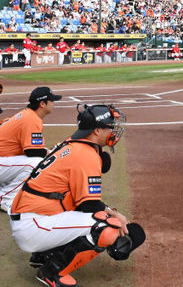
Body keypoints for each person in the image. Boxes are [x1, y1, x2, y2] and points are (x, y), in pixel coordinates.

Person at [9, 104, 145, 287]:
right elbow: (89, 206)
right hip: (33, 225)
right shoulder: (85, 154)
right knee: (107, 226)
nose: (113, 131)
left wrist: (109, 210)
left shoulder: (70, 144)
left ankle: (45, 255)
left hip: (32, 217)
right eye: (110, 127)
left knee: (93, 212)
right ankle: (53, 271)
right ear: (97, 131)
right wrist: (115, 214)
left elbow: (83, 203)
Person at [0, 87, 62, 212]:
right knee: (37, 163)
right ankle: (4, 199)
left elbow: (30, 149)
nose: (53, 103)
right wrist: (51, 153)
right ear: (42, 104)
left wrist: (46, 151)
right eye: (52, 101)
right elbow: (32, 152)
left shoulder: (28, 115)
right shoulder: (31, 119)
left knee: (36, 157)